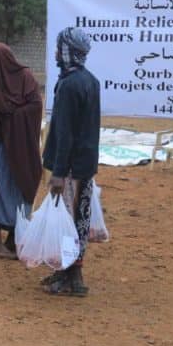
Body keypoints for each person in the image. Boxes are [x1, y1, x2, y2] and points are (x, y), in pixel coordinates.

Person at [42, 27, 100, 296]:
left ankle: (71, 275)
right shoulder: (90, 80)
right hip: (85, 164)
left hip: (70, 168)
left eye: (59, 48)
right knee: (79, 218)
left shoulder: (68, 85)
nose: (56, 53)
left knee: (67, 218)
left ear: (67, 52)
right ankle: (69, 272)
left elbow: (65, 133)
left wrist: (58, 172)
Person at [0, 43, 44, 258]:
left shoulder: (24, 77)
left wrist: (11, 117)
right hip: (0, 146)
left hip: (22, 145)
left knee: (23, 187)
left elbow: (34, 106)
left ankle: (14, 241)